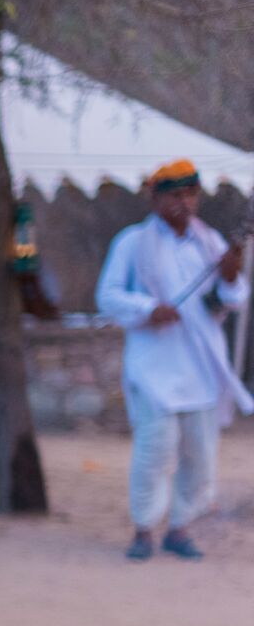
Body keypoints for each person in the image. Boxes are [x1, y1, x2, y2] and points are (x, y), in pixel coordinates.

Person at [96, 158, 250, 562]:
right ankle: (144, 528)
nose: (184, 203)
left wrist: (231, 275)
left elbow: (233, 298)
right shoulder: (132, 242)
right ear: (156, 198)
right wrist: (149, 309)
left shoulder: (209, 241)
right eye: (175, 195)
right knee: (155, 449)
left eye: (190, 194)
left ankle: (180, 528)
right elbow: (108, 296)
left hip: (199, 368)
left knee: (199, 455)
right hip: (153, 369)